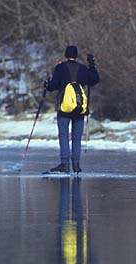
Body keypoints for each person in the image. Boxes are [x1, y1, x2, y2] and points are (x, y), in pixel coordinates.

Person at [45, 45, 99, 173]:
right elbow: (95, 79)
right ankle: (76, 165)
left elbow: (53, 85)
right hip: (80, 108)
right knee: (76, 137)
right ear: (76, 55)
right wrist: (92, 65)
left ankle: (64, 164)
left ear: (65, 55)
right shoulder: (83, 68)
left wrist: (47, 85)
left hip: (64, 107)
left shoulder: (60, 67)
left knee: (64, 135)